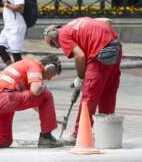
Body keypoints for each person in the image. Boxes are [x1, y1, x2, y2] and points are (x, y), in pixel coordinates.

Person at [43, 17, 122, 146]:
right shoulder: (75, 23)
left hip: (100, 54)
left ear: (54, 36)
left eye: (53, 44)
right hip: (115, 48)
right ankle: (105, 131)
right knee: (108, 92)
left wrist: (80, 77)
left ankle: (78, 134)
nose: (57, 48)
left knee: (89, 96)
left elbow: (80, 56)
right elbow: (107, 21)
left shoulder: (63, 35)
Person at [0, 55, 64, 151]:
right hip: (4, 98)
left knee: (5, 139)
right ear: (49, 68)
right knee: (46, 94)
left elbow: (33, 100)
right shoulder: (35, 66)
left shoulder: (28, 66)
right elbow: (36, 91)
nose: (50, 78)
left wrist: (51, 117)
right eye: (53, 74)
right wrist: (43, 86)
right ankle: (46, 137)